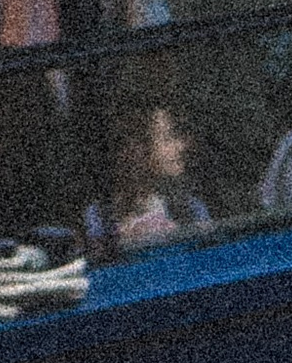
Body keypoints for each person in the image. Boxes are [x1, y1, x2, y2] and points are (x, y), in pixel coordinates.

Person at [84, 101, 208, 255]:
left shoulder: (192, 209)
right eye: (168, 139)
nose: (180, 146)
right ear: (139, 149)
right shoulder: (101, 216)